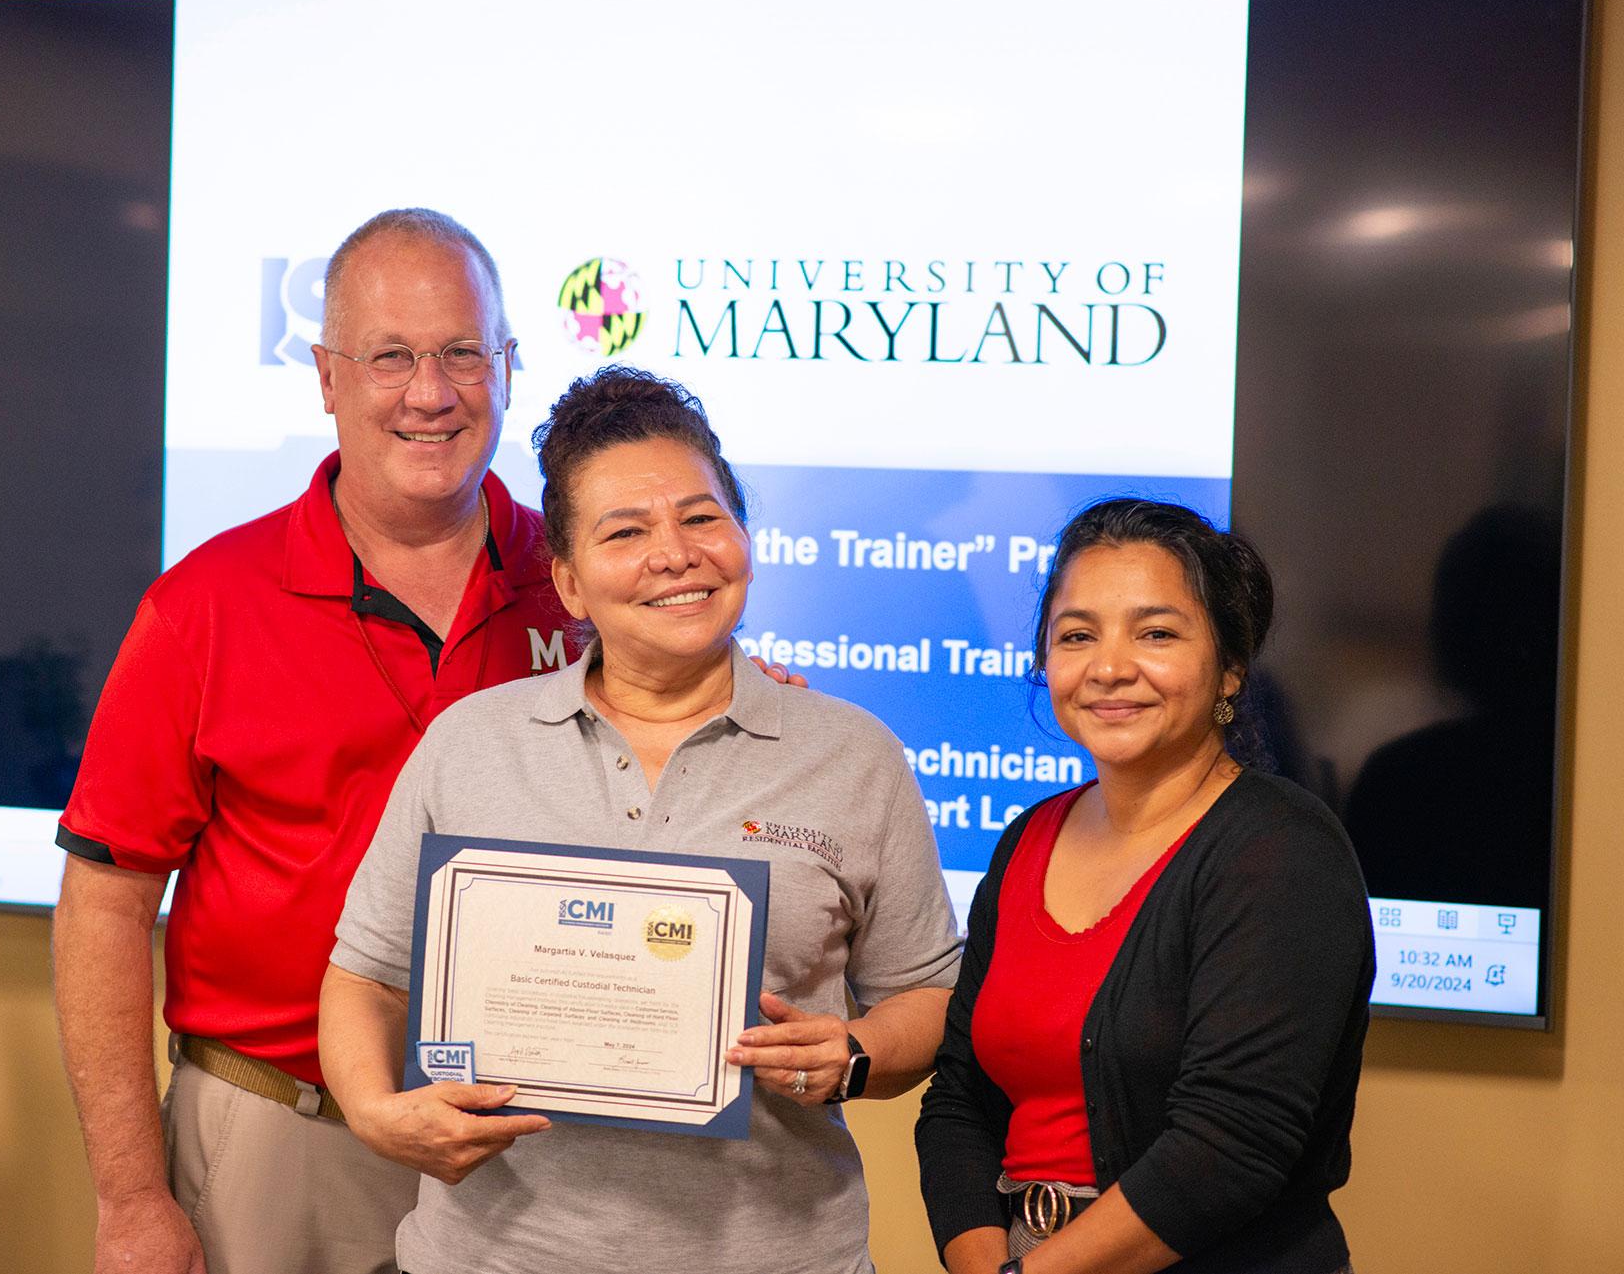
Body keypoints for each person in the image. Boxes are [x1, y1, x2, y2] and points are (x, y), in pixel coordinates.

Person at [320, 366, 961, 1274]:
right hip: (496, 1258)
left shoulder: (854, 755)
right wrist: (377, 1113)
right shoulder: (471, 744)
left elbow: (929, 994)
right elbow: (368, 975)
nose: (676, 552)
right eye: (627, 531)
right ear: (570, 582)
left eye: (702, 518)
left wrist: (855, 1052)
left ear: (744, 537)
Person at [51, 209, 570, 1274]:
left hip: (534, 1155)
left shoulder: (582, 584)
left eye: (462, 352)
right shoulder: (204, 606)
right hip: (282, 1141)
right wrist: (130, 1198)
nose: (430, 392)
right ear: (328, 378)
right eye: (390, 357)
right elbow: (104, 903)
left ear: (510, 366)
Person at [915, 498, 1374, 1274]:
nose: (1110, 666)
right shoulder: (1028, 838)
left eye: (1156, 632)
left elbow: (1231, 1143)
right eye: (1077, 635)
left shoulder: (1281, 848)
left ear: (1230, 665)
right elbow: (959, 1098)